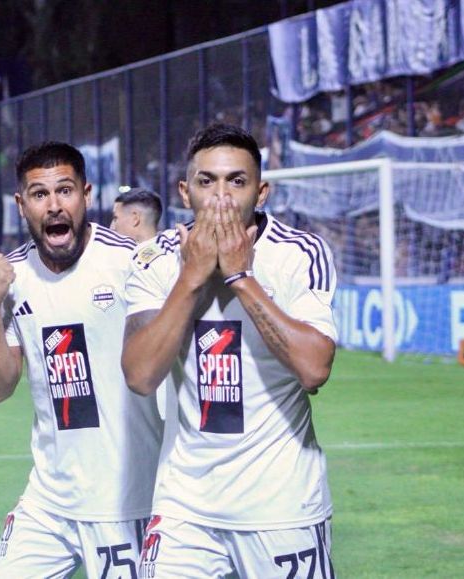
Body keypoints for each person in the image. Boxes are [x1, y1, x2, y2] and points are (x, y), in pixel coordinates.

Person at [122, 123, 338, 578]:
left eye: (237, 181)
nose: (221, 197)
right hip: (185, 505)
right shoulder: (156, 259)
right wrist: (191, 278)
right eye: (207, 181)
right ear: (185, 192)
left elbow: (314, 368)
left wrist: (241, 277)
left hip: (282, 508)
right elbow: (140, 375)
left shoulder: (300, 253)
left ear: (261, 194)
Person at [0, 141, 163, 578]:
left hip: (127, 498)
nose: (55, 206)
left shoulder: (128, 263)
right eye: (40, 195)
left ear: (87, 195)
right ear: (22, 205)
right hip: (49, 501)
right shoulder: (13, 277)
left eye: (65, 191)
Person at [110, 187, 175, 423]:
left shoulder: (136, 262)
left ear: (135, 218)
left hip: (156, 378)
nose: (112, 227)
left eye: (116, 218)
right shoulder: (175, 254)